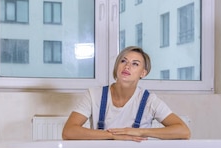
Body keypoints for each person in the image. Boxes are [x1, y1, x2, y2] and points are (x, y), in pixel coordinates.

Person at [62, 46, 191, 141]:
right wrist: (113, 135)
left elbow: (183, 131)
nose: (127, 66)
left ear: (143, 73)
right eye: (123, 61)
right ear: (117, 66)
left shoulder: (149, 101)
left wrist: (139, 132)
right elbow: (68, 131)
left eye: (135, 64)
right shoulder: (94, 95)